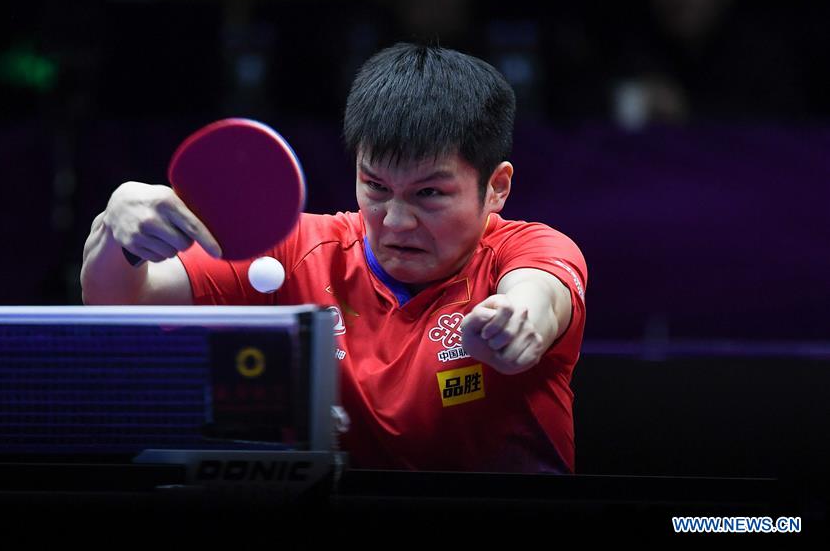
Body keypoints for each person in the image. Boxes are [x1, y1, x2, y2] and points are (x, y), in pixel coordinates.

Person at [81, 43, 587, 474]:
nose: (394, 220)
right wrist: (114, 232)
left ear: (495, 188)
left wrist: (516, 322)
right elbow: (121, 303)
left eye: (429, 193)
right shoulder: (296, 249)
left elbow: (537, 296)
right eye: (376, 186)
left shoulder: (527, 250)